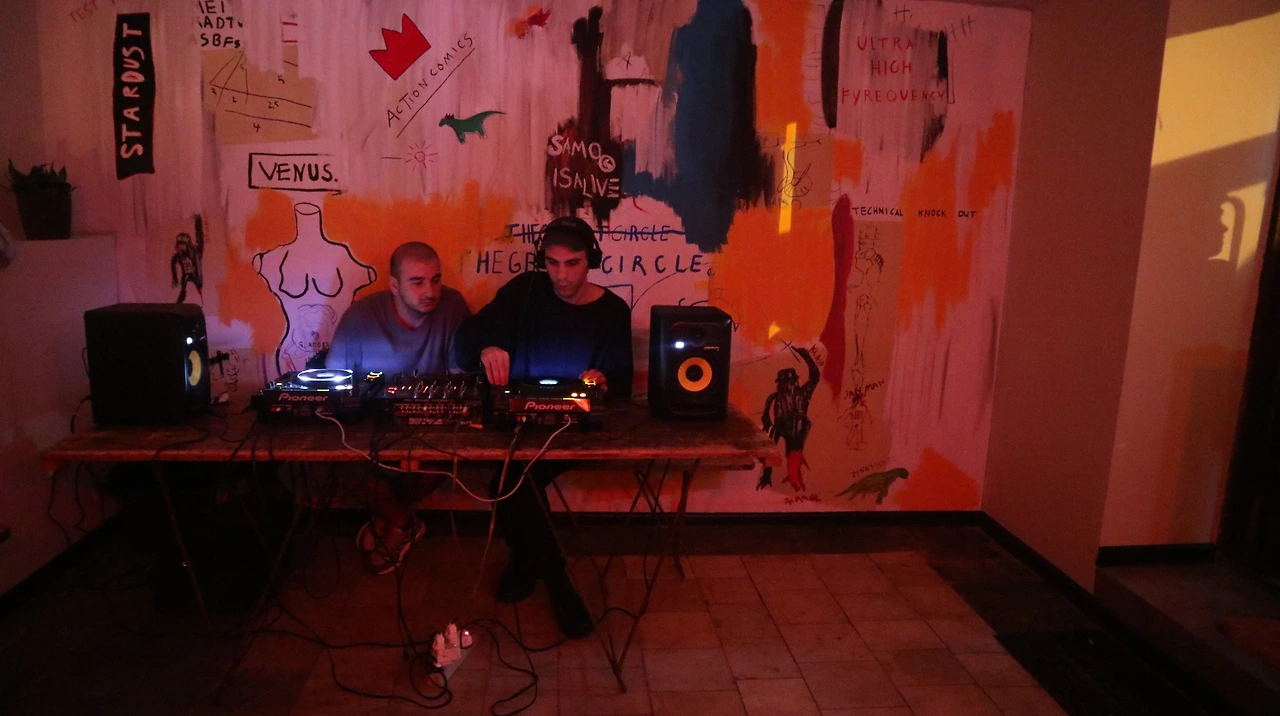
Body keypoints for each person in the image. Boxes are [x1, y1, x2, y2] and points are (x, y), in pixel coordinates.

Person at [455, 216, 633, 639]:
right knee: (513, 476)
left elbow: (622, 384)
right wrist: (487, 346)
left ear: (591, 260)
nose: (561, 275)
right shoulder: (525, 291)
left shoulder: (612, 311)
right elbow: (465, 339)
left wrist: (603, 380)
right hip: (520, 421)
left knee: (510, 479)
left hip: (572, 428)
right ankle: (545, 570)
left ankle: (538, 569)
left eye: (572, 263)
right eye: (552, 263)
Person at [325, 241, 471, 574]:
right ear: (394, 285)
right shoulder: (360, 316)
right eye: (417, 282)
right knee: (339, 461)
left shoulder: (452, 306)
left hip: (430, 426)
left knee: (438, 462)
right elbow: (336, 386)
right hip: (370, 428)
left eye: (436, 280)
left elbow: (462, 386)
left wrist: (417, 435)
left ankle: (389, 517)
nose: (430, 291)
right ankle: (403, 522)